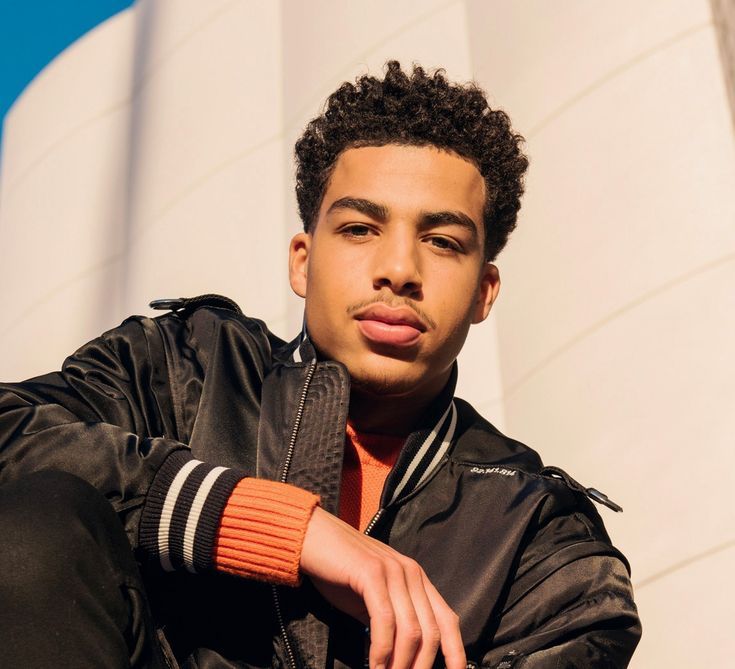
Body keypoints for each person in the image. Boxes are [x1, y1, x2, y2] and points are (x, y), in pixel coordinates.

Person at [0, 61, 640, 668]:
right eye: (361, 229)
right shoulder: (182, 371)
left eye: (442, 242)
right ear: (302, 261)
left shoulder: (537, 537)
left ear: (483, 292)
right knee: (39, 526)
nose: (398, 270)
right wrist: (280, 528)